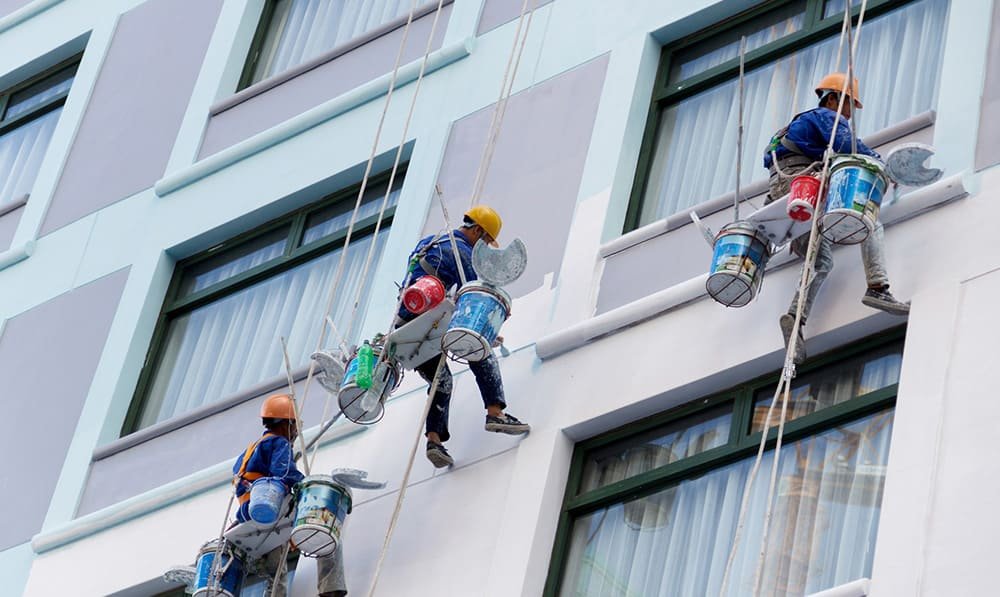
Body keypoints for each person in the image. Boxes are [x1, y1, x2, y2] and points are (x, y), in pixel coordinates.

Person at [763, 72, 909, 365]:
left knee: (821, 262)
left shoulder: (791, 129)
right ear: (832, 99)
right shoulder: (826, 116)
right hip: (804, 185)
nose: (849, 115)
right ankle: (878, 288)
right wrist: (881, 165)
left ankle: (795, 318)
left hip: (787, 198)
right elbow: (847, 145)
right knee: (867, 219)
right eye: (849, 106)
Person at [399, 205, 530, 468]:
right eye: (485, 240)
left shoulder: (432, 241)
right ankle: (495, 413)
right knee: (479, 350)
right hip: (434, 319)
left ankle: (434, 441)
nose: (484, 247)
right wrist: (488, 332)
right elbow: (473, 297)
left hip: (407, 324)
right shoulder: (463, 253)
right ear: (478, 230)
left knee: (441, 380)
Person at [231, 394, 346, 597]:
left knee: (276, 574)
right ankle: (331, 588)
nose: (295, 432)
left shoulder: (251, 449)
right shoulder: (279, 443)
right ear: (286, 424)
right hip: (272, 506)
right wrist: (307, 484)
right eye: (294, 426)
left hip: (250, 515)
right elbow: (284, 473)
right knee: (324, 528)